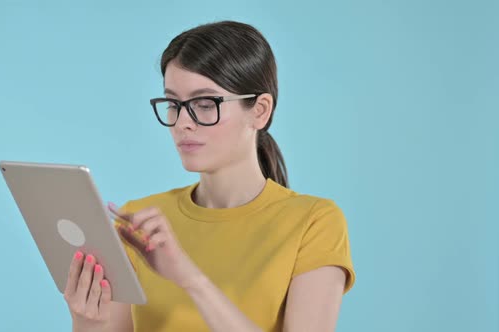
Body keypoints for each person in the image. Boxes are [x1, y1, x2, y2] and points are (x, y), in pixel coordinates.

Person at [63, 20, 355, 332]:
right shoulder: (140, 222)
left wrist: (191, 279)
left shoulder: (313, 222)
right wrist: (87, 320)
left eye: (204, 104)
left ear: (260, 110)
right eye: (174, 103)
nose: (182, 122)